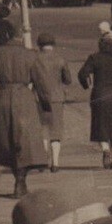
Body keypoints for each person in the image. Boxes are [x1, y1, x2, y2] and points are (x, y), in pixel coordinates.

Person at [0, 34, 52, 199]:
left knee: (7, 140)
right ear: (18, 38)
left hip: (2, 98)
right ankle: (21, 180)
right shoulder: (31, 55)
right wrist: (46, 102)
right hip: (24, 98)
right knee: (25, 141)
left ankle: (18, 179)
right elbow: (41, 82)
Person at [77, 30, 112, 170]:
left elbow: (82, 74)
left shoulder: (94, 58)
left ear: (100, 45)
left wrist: (86, 85)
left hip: (99, 95)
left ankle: (105, 149)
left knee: (101, 126)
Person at [35, 32, 72, 173]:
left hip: (38, 99)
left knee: (43, 129)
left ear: (39, 45)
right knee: (55, 131)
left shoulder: (35, 59)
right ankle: (55, 163)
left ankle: (44, 160)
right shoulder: (60, 59)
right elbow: (67, 80)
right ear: (53, 45)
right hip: (56, 99)